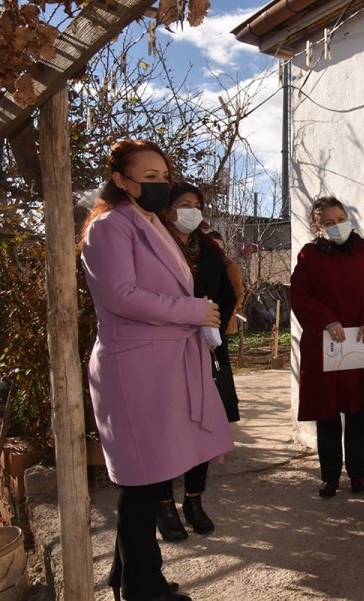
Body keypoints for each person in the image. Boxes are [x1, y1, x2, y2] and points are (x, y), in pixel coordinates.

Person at [79, 140, 234, 601]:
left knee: (145, 475)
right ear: (121, 181)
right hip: (135, 368)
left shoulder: (152, 223)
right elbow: (120, 296)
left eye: (162, 175)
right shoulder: (109, 226)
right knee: (141, 479)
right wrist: (190, 310)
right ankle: (143, 588)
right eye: (147, 177)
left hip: (161, 363)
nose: (159, 184)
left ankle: (123, 574)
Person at [290, 196, 364, 497]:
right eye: (329, 222)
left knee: (358, 412)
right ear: (317, 227)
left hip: (361, 344)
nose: (337, 226)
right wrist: (326, 320)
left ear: (348, 218)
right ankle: (330, 477)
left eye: (341, 219)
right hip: (326, 345)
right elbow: (300, 296)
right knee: (327, 414)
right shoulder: (308, 257)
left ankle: (358, 475)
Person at [152, 182, 240, 542]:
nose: (191, 210)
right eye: (183, 204)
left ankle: (193, 500)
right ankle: (164, 505)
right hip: (164, 349)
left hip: (205, 346)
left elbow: (228, 291)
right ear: (166, 209)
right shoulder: (153, 245)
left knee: (202, 425)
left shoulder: (208, 248)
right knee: (164, 428)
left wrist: (213, 315)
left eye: (196, 204)